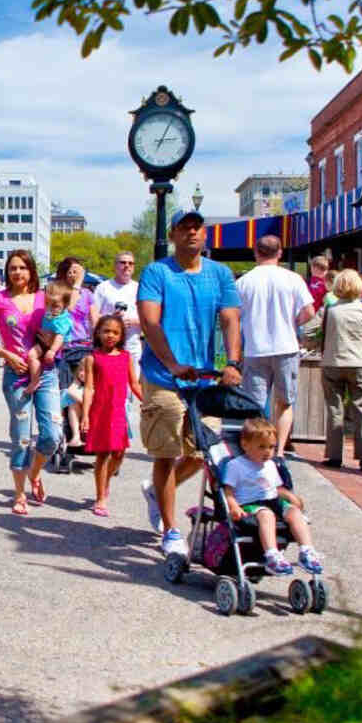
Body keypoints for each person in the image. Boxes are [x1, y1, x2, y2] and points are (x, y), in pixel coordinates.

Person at [137, 209, 243, 557]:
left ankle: (156, 492)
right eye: (184, 228)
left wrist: (232, 362)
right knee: (167, 452)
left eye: (197, 228)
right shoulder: (158, 272)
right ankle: (170, 530)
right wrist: (171, 362)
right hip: (162, 376)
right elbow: (150, 321)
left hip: (202, 376)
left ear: (205, 234)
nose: (192, 233)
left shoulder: (220, 274)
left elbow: (230, 319)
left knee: (203, 454)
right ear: (174, 234)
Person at [0, 250, 63, 516]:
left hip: (47, 373)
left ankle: (35, 473)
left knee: (52, 436)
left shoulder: (43, 299)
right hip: (16, 376)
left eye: (23, 267)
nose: (17, 273)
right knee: (21, 438)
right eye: (13, 268)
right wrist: (8, 355)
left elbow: (63, 325)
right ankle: (20, 493)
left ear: (31, 270)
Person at [235, 235, 315, 459]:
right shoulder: (293, 279)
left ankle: (256, 449)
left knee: (254, 404)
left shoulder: (244, 282)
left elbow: (234, 315)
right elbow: (309, 311)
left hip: (255, 348)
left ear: (256, 253)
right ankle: (278, 451)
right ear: (279, 253)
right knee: (285, 402)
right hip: (286, 346)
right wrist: (293, 323)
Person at [222, 417, 324, 575]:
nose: (267, 452)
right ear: (245, 445)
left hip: (272, 500)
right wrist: (233, 506)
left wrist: (290, 497)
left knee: (295, 512)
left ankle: (306, 551)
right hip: (250, 504)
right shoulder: (236, 465)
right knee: (267, 514)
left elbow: (276, 488)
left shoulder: (270, 465)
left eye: (271, 447)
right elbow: (228, 490)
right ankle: (271, 555)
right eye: (261, 447)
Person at [81, 313, 142, 517]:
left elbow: (134, 383)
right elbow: (89, 388)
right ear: (98, 333)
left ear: (121, 335)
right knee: (103, 454)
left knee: (119, 453)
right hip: (100, 411)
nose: (110, 335)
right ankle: (100, 498)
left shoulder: (126, 357)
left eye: (115, 332)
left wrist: (147, 402)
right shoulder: (92, 358)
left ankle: (106, 480)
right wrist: (85, 415)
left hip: (119, 411)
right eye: (106, 331)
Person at [321, 269, 362, 471]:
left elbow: (318, 333)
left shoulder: (330, 310)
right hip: (360, 363)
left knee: (334, 409)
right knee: (361, 409)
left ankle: (335, 456)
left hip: (333, 363)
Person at [16, 279, 73, 400]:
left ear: (65, 305)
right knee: (32, 356)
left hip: (52, 345)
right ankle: (35, 377)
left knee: (32, 355)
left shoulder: (62, 319)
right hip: (44, 340)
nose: (50, 308)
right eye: (47, 303)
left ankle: (35, 381)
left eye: (56, 306)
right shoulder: (50, 313)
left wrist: (52, 350)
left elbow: (59, 336)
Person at [91, 251, 143, 368]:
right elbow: (93, 317)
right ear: (115, 266)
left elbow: (149, 317)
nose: (127, 266)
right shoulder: (103, 287)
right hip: (107, 347)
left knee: (131, 384)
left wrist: (134, 321)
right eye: (123, 262)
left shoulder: (140, 288)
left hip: (132, 346)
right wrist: (112, 320)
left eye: (131, 263)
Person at [56, 256, 94, 344]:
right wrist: (77, 283)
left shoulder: (87, 293)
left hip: (83, 344)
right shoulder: (57, 291)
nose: (74, 275)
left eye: (77, 272)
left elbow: (94, 321)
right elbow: (69, 309)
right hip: (62, 344)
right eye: (70, 272)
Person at [63, 360, 87, 448]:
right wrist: (83, 402)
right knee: (72, 404)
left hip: (93, 414)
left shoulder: (96, 383)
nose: (82, 373)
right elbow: (70, 391)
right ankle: (76, 436)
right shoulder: (77, 381)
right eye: (80, 370)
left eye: (86, 371)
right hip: (79, 414)